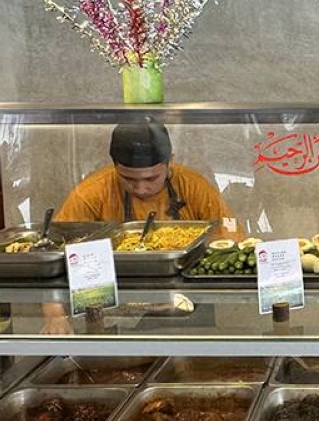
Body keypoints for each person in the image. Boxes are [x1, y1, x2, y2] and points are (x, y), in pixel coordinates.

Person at [41, 120, 239, 334]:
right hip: (112, 310)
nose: (141, 188)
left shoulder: (194, 187)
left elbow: (231, 247)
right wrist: (55, 316)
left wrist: (187, 293)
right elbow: (55, 257)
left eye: (152, 178)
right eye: (127, 178)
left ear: (170, 162)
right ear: (114, 166)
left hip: (186, 308)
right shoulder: (91, 193)